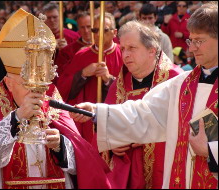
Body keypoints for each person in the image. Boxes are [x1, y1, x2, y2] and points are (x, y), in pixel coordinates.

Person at [71, 2, 218, 189]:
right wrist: (96, 112)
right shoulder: (182, 84)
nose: (192, 48)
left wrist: (211, 151)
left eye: (200, 41)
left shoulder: (173, 77)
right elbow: (145, 112)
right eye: (191, 40)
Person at [0, 8, 113, 189]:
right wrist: (17, 117)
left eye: (41, 83)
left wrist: (61, 145)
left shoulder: (51, 98)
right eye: (26, 84)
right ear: (9, 83)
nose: (35, 92)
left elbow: (81, 159)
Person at [97, 20, 183, 189]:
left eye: (132, 48)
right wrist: (113, 143)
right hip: (127, 174)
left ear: (152, 50)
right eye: (122, 49)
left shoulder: (176, 80)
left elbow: (183, 127)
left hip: (163, 169)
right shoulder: (119, 84)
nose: (125, 54)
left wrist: (145, 133)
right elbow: (104, 127)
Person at [57, 12, 124, 143]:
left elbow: (130, 89)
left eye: (104, 30)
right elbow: (63, 86)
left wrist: (108, 79)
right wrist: (83, 73)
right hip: (86, 122)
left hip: (114, 121)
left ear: (114, 32)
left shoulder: (123, 54)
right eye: (95, 30)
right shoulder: (82, 55)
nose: (98, 34)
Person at [55, 12, 92, 79]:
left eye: (88, 27)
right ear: (78, 28)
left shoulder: (103, 46)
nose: (86, 31)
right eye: (82, 27)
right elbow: (62, 75)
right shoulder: (66, 51)